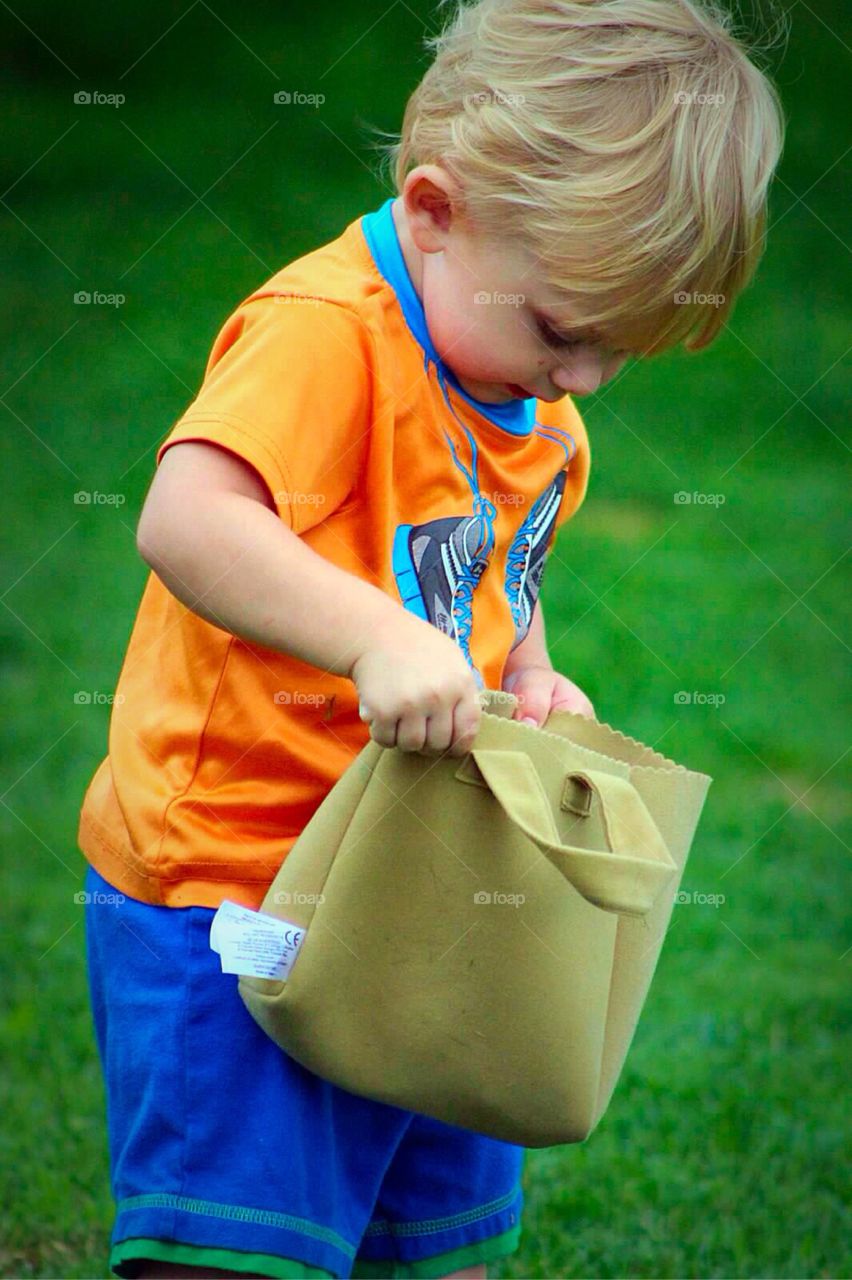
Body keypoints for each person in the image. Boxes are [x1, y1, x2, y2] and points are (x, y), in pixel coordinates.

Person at [77, 1, 784, 1276]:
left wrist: (525, 672)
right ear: (436, 209)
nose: (586, 382)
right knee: (238, 1250)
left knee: (440, 1250)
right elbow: (187, 517)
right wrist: (372, 640)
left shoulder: (526, 400)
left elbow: (496, 573)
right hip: (236, 887)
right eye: (567, 330)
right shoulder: (328, 334)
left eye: (624, 348)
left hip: (426, 893)